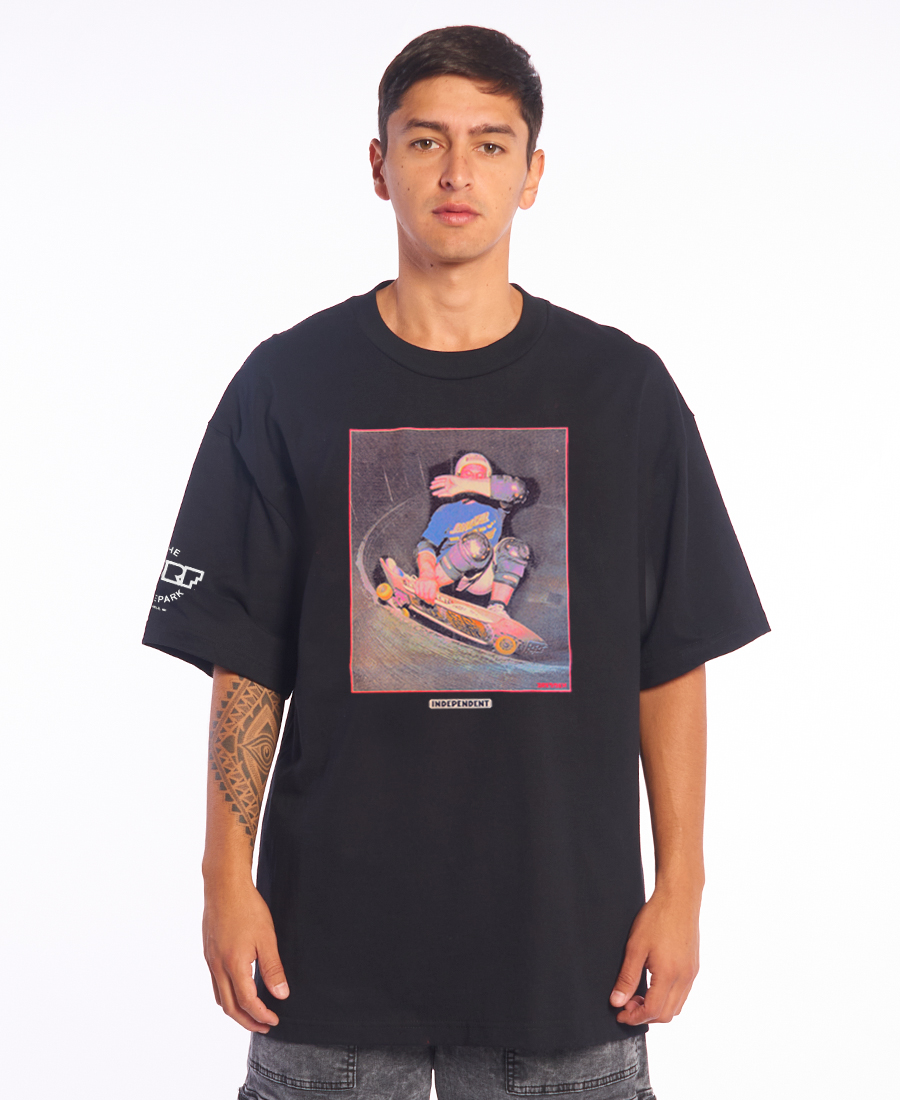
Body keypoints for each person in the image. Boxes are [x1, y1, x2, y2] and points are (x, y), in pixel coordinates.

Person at [143, 25, 769, 1100]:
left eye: (490, 143)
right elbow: (245, 658)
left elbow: (671, 657)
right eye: (426, 140)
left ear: (533, 174)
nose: (456, 172)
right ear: (378, 164)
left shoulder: (621, 391)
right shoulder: (289, 383)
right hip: (327, 950)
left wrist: (683, 889)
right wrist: (222, 879)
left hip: (567, 955)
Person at [412, 451, 531, 614]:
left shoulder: (497, 506)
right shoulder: (446, 511)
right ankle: (429, 589)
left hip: (482, 576)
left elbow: (517, 490)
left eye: (480, 476)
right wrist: (426, 576)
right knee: (475, 545)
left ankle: (497, 608)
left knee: (515, 548)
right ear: (457, 477)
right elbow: (426, 545)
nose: (474, 479)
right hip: (447, 575)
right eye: (468, 474)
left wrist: (466, 484)